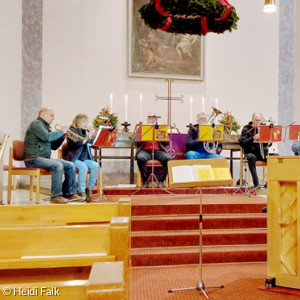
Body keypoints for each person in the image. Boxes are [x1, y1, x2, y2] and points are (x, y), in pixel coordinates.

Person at [24, 108, 81, 204]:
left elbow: (54, 146)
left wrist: (63, 137)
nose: (53, 118)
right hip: (33, 158)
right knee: (57, 165)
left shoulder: (47, 127)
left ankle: (70, 193)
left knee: (70, 165)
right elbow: (47, 137)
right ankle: (56, 195)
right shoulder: (36, 124)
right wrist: (61, 131)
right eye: (51, 115)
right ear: (42, 114)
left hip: (43, 159)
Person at [63, 114, 98, 202]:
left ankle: (89, 189)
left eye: (87, 122)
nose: (86, 124)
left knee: (95, 166)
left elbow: (93, 146)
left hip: (84, 158)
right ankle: (81, 190)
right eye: (83, 122)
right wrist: (88, 137)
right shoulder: (72, 131)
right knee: (83, 167)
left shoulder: (86, 131)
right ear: (78, 122)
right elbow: (76, 144)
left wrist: (94, 137)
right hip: (74, 158)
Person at [135, 114, 172, 187]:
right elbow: (135, 142)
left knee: (168, 158)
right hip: (145, 150)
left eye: (155, 118)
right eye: (151, 118)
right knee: (140, 157)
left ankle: (161, 181)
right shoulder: (142, 128)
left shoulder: (160, 128)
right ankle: (145, 181)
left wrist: (163, 137)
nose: (153, 120)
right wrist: (141, 138)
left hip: (158, 151)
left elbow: (167, 142)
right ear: (147, 120)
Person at [240, 113, 270, 188]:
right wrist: (253, 138)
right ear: (252, 120)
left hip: (262, 153)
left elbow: (267, 145)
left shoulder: (265, 128)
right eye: (256, 120)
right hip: (252, 152)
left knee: (276, 158)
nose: (258, 122)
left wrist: (269, 141)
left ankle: (268, 183)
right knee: (250, 157)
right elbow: (243, 142)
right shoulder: (246, 129)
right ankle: (256, 184)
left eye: (259, 120)